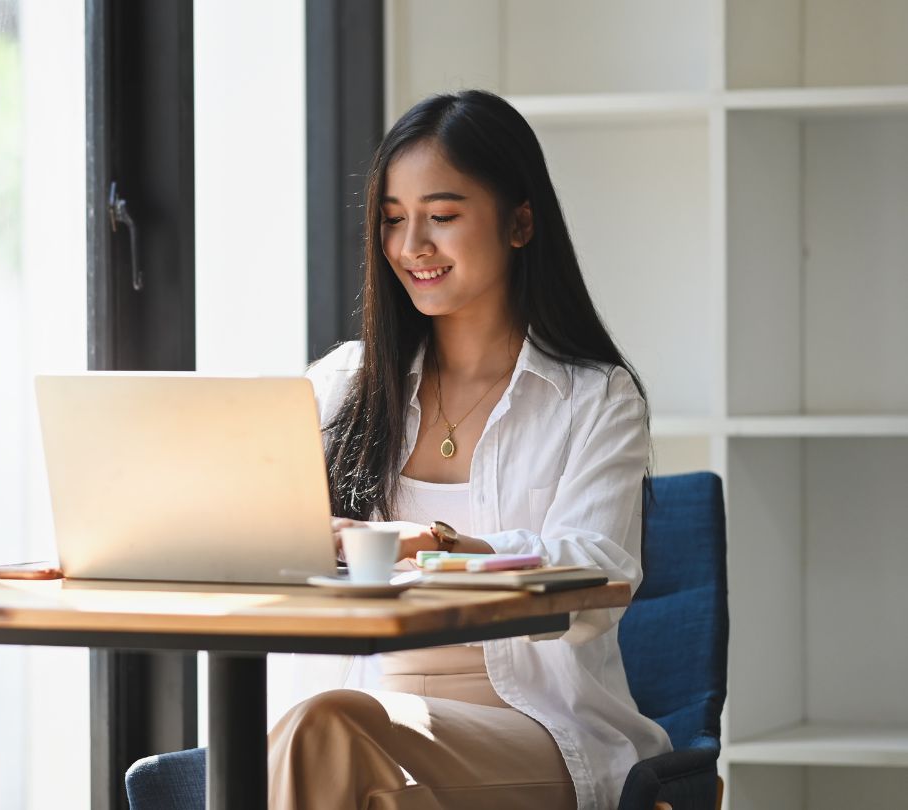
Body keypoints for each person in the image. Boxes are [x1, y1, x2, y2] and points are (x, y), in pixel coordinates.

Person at [267, 90, 671, 809]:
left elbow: (595, 573)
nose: (411, 246)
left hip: (536, 726)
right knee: (333, 744)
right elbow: (256, 536)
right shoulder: (339, 386)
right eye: (392, 220)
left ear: (519, 223)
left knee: (325, 734)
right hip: (362, 711)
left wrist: (431, 544)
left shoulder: (594, 397)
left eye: (442, 217)